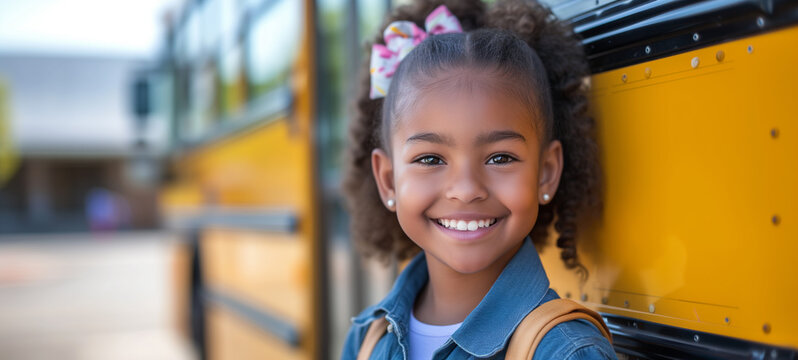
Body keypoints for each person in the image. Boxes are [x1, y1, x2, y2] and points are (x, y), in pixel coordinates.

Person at [341, 0, 616, 358]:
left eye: (500, 158)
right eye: (430, 159)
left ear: (546, 173)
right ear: (389, 180)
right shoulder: (367, 338)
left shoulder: (566, 353)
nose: (466, 189)